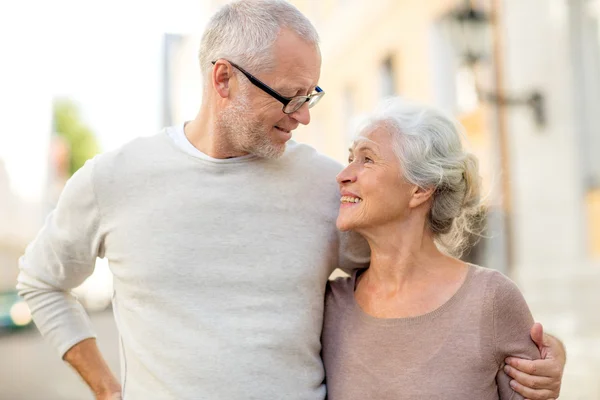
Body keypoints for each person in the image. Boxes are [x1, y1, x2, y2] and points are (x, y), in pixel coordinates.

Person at [17, 1, 564, 399]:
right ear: (224, 80)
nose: (304, 115)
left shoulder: (332, 189)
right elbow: (41, 283)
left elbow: (415, 284)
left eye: (312, 95)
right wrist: (108, 391)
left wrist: (531, 362)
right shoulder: (113, 179)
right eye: (291, 96)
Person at [322, 98, 565, 400]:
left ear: (420, 189)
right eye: (350, 158)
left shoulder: (490, 300)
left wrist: (555, 353)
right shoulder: (329, 306)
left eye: (367, 159)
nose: (343, 175)